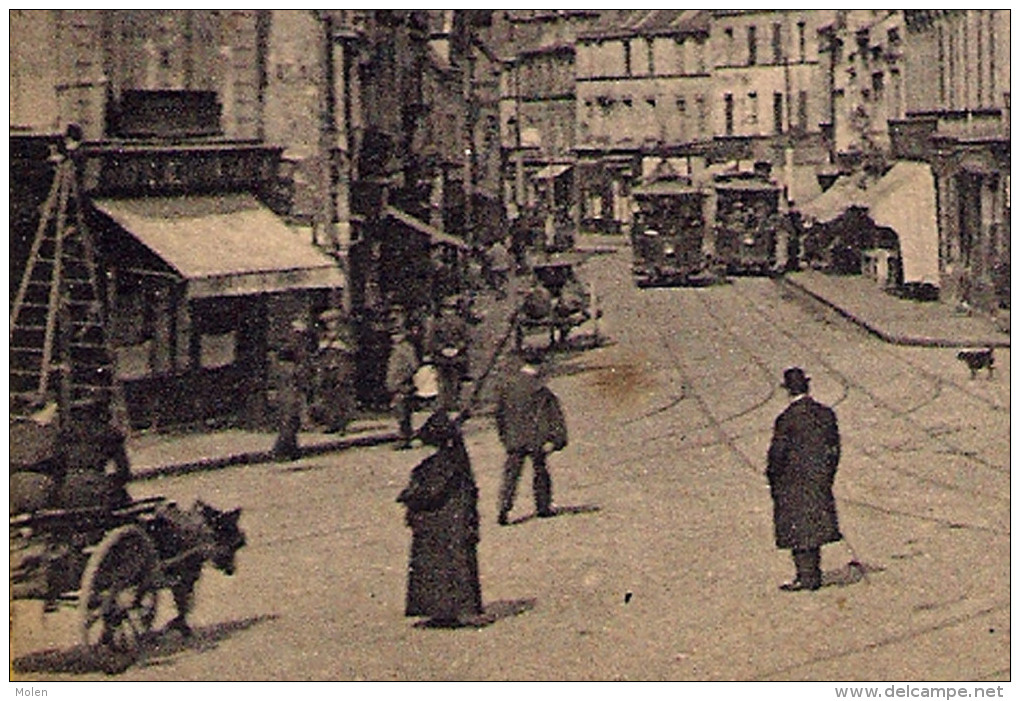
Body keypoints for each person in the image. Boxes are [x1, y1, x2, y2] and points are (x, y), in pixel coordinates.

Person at [396, 410, 482, 627]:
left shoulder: (444, 462)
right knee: (450, 566)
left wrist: (408, 496)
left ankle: (445, 612)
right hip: (452, 521)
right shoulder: (456, 458)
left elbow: (431, 491)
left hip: (441, 523)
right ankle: (450, 611)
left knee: (440, 566)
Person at [766, 367, 842, 592]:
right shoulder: (826, 413)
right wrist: (828, 473)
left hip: (793, 481)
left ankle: (805, 576)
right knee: (814, 525)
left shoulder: (786, 419)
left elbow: (777, 454)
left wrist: (773, 477)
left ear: (788, 391)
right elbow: (835, 448)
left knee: (798, 528)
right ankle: (813, 574)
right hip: (819, 477)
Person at [495, 348, 568, 525]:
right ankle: (543, 507)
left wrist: (505, 437)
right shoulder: (540, 389)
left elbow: (499, 415)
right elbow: (553, 415)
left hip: (515, 438)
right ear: (539, 364)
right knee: (540, 471)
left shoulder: (508, 386)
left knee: (511, 474)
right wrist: (556, 439)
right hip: (537, 438)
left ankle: (504, 508)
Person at [273, 318, 314, 461]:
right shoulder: (289, 347)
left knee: (293, 417)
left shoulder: (300, 347)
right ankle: (283, 449)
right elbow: (285, 366)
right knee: (289, 416)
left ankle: (290, 448)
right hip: (289, 385)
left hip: (295, 385)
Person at [311, 308, 357, 434]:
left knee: (341, 396)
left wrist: (338, 344)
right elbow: (319, 354)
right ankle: (331, 422)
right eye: (327, 322)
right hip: (327, 369)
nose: (330, 324)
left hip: (341, 369)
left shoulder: (346, 335)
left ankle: (342, 424)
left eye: (333, 321)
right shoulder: (323, 337)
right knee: (328, 396)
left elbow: (351, 351)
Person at [428, 297, 471, 413]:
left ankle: (454, 402)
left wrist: (457, 348)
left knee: (455, 381)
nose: (448, 312)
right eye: (446, 309)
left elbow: (466, 339)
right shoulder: (436, 324)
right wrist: (441, 349)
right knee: (442, 381)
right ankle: (443, 403)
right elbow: (432, 340)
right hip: (441, 357)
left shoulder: (461, 323)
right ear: (441, 311)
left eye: (451, 309)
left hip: (457, 357)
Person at [387, 318, 420, 450]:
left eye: (398, 334)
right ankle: (406, 436)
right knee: (399, 410)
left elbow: (414, 365)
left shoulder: (406, 348)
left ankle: (405, 438)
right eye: (393, 335)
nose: (395, 337)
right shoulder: (395, 349)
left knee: (403, 411)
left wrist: (403, 378)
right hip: (396, 383)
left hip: (403, 383)